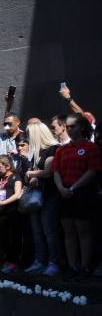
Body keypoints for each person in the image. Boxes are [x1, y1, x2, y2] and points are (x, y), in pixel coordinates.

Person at [52, 114, 101, 280]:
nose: (69, 129)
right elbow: (55, 171)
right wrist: (61, 188)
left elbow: (92, 171)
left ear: (81, 127)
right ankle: (73, 265)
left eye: (72, 126)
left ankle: (85, 266)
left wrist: (73, 188)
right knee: (69, 232)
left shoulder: (90, 147)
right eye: (67, 126)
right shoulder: (61, 149)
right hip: (64, 194)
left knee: (83, 232)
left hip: (82, 193)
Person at [24, 122, 61, 276]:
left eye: (28, 134)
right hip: (36, 197)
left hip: (49, 196)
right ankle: (40, 261)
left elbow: (47, 172)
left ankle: (54, 263)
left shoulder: (54, 148)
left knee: (49, 231)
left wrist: (31, 174)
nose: (27, 138)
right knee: (37, 232)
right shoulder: (36, 152)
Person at [0, 155, 23, 274]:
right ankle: (7, 260)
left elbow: (17, 194)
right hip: (0, 213)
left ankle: (15, 262)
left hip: (12, 211)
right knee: (2, 238)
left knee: (13, 237)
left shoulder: (15, 177)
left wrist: (4, 202)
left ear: (7, 166)